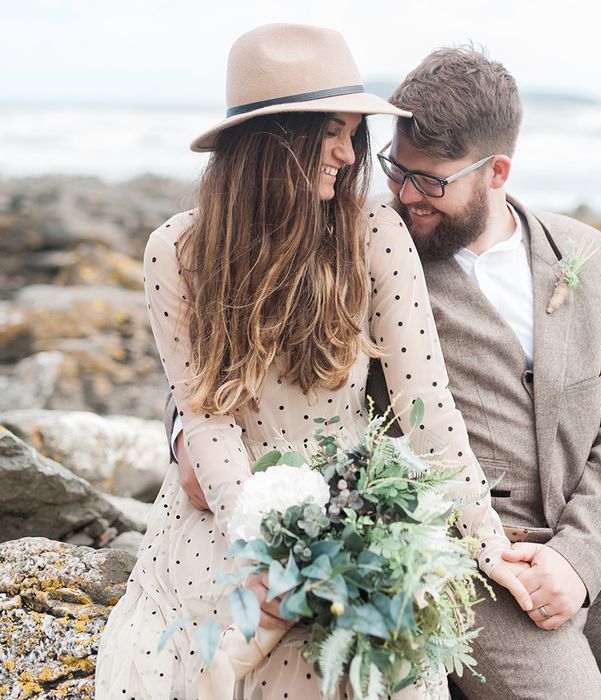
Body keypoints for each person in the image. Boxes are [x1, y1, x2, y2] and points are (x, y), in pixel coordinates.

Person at [172, 45, 601, 698]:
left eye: (431, 182)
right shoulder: (363, 246)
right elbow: (230, 366)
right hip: (467, 557)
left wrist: (578, 558)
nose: (404, 194)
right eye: (396, 169)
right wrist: (182, 441)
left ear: (497, 170)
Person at [96, 25, 532, 700]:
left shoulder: (376, 233)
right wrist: (261, 548)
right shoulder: (176, 250)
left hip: (350, 500)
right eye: (329, 130)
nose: (347, 151)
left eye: (354, 132)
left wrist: (486, 539)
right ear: (270, 140)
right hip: (226, 506)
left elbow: (428, 405)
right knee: (222, 646)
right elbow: (205, 416)